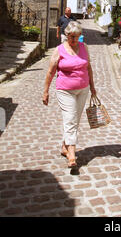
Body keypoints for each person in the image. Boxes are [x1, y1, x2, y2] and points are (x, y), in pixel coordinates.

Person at [43, 21, 96, 169]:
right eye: (72, 37)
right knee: (70, 119)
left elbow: (89, 67)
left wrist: (92, 87)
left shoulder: (84, 47)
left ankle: (65, 146)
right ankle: (72, 154)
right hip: (65, 90)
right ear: (66, 35)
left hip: (83, 89)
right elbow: (50, 72)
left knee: (75, 120)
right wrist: (46, 91)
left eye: (77, 37)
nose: (74, 40)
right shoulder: (59, 50)